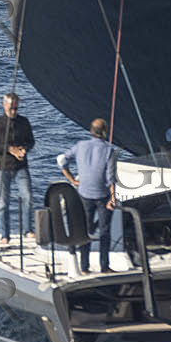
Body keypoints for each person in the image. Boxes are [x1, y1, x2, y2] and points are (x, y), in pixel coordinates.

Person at [59, 117, 119, 273]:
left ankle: (84, 267)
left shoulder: (80, 146)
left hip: (84, 194)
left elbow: (61, 160)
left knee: (85, 231)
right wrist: (113, 197)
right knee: (104, 231)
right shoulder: (109, 150)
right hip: (102, 195)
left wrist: (71, 178)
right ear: (105, 132)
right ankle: (104, 267)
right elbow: (110, 177)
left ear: (91, 131)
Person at [0, 92, 35, 243]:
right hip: (3, 167)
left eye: (16, 108)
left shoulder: (24, 122)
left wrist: (24, 149)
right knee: (2, 203)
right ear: (4, 105)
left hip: (21, 166)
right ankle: (5, 234)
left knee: (28, 197)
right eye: (11, 108)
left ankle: (28, 230)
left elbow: (31, 141)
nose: (13, 111)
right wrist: (9, 149)